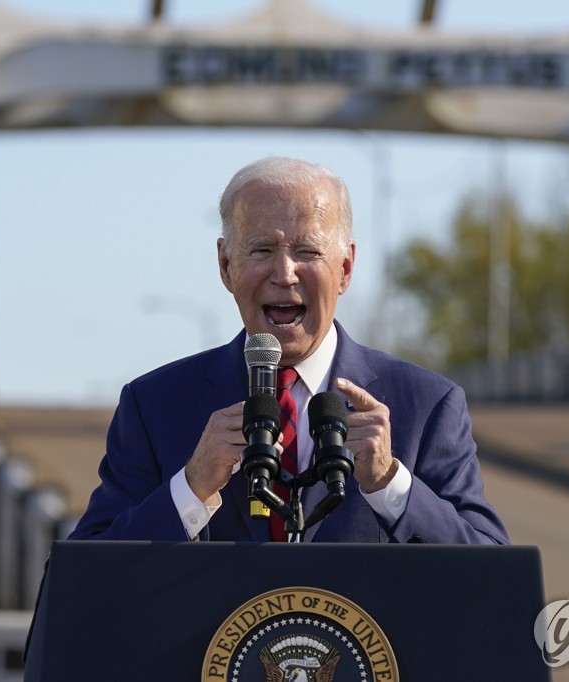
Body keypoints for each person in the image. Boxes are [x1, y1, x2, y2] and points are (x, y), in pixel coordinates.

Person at [69, 156, 508, 544]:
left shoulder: (427, 406)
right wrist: (191, 487)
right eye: (261, 249)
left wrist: (391, 485)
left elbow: (492, 577)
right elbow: (87, 579)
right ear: (226, 266)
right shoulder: (152, 406)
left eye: (307, 251)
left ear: (345, 269)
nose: (285, 273)